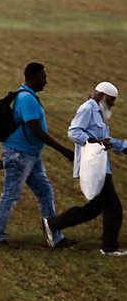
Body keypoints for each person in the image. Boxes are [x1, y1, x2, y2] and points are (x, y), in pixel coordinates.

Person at [0, 62, 76, 249]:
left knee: (45, 192)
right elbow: (36, 131)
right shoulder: (27, 99)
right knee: (10, 195)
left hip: (29, 155)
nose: (45, 81)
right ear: (32, 77)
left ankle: (55, 236)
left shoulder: (28, 96)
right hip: (21, 155)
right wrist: (64, 151)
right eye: (42, 77)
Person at [43, 82, 127, 256]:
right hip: (93, 166)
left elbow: (105, 139)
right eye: (111, 100)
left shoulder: (99, 111)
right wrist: (95, 142)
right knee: (114, 207)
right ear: (102, 96)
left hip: (100, 164)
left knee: (95, 208)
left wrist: (123, 146)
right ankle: (109, 247)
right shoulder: (88, 108)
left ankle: (52, 224)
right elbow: (73, 132)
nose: (112, 104)